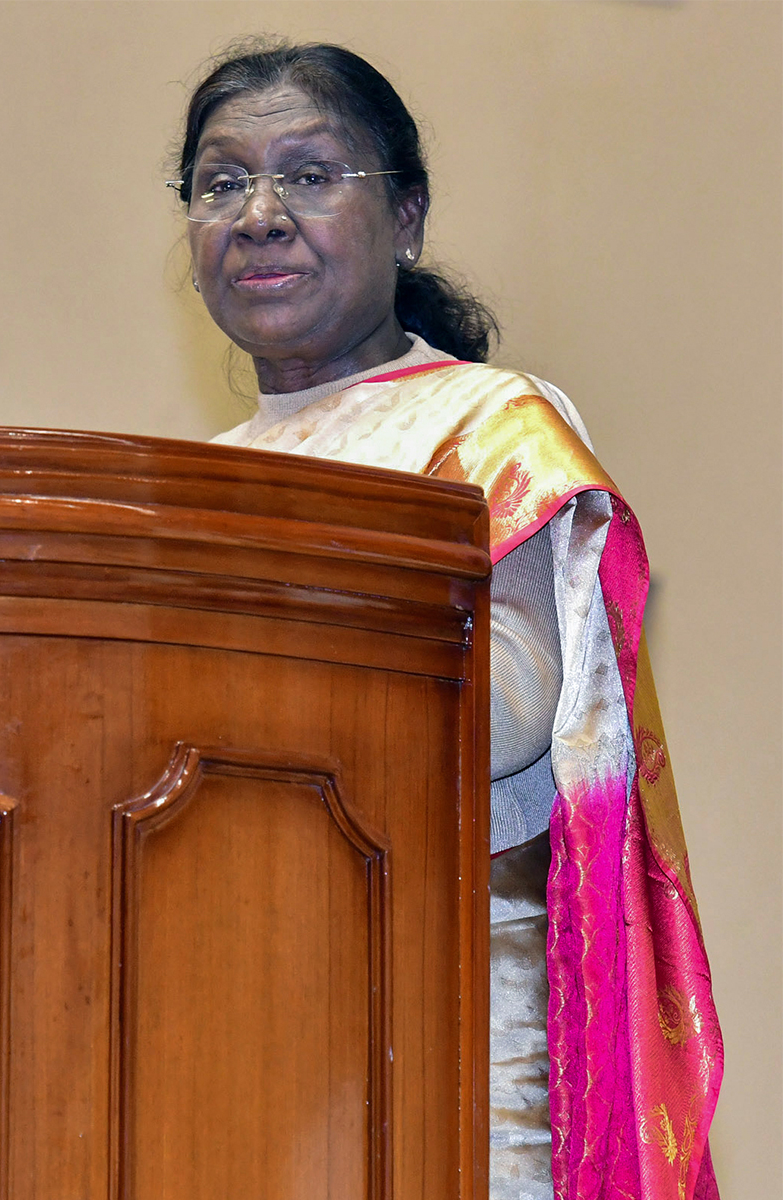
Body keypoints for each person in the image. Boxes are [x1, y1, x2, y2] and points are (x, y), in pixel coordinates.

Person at [174, 41, 721, 1200]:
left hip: (445, 1045)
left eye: (311, 175)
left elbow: (511, 721)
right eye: (221, 184)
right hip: (227, 1025)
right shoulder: (189, 479)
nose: (259, 215)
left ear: (406, 216)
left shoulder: (486, 425)